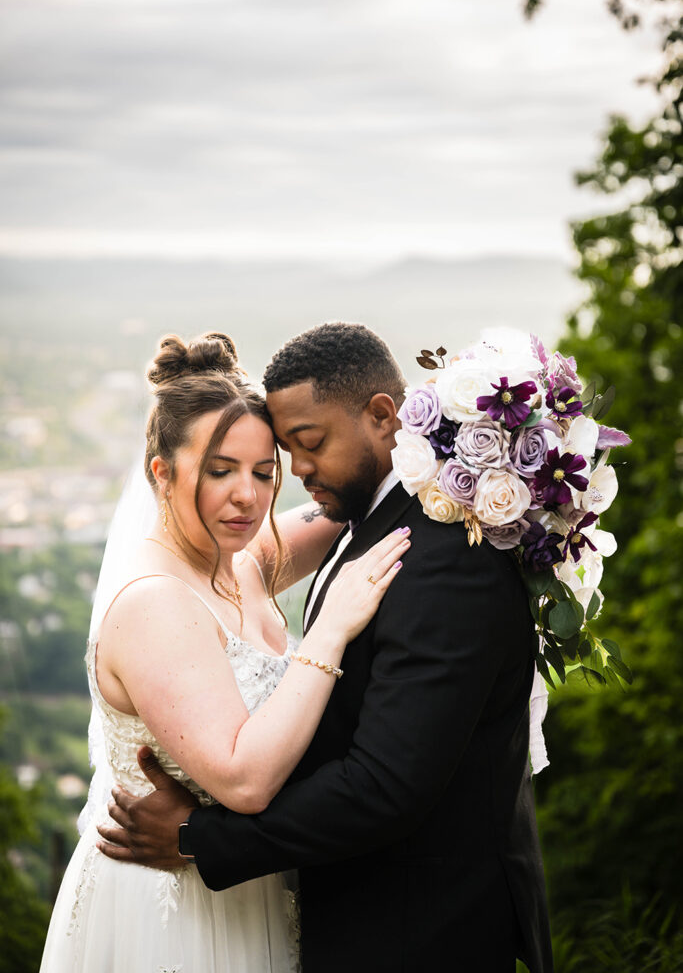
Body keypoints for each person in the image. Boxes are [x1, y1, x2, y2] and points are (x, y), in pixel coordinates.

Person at [99, 322, 554, 973]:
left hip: (417, 929)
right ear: (163, 475)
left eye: (278, 462)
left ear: (380, 416)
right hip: (192, 909)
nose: (271, 486)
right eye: (224, 470)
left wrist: (200, 839)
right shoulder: (358, 515)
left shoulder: (441, 560)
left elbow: (383, 785)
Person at [39, 331, 410, 973]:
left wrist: (461, 460)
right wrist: (330, 628)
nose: (249, 495)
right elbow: (244, 780)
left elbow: (357, 503)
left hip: (242, 883)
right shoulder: (154, 601)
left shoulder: (238, 562)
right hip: (174, 913)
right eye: (220, 472)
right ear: (162, 473)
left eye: (265, 473)